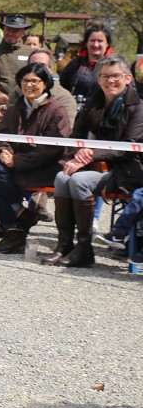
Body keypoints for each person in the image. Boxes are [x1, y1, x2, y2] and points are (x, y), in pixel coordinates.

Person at [41, 54, 143, 267]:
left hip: (125, 169)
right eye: (105, 76)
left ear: (128, 78)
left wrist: (91, 153)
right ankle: (64, 245)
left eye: (116, 76)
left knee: (79, 182)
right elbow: (76, 135)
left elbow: (129, 147)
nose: (110, 81)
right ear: (98, 80)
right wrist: (74, 156)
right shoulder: (92, 103)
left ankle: (84, 248)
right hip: (92, 164)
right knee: (62, 178)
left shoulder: (138, 108)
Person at [0, 63, 71, 254]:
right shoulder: (14, 108)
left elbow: (53, 149)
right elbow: (0, 137)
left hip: (46, 167)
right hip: (15, 165)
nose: (29, 85)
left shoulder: (57, 111)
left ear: (45, 84)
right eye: (25, 81)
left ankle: (15, 228)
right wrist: (2, 152)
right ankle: (19, 221)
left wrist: (16, 161)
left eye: (34, 81)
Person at [59, 21, 114, 104]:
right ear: (86, 43)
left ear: (107, 43)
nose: (96, 44)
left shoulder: (115, 64)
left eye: (100, 41)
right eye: (92, 40)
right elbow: (62, 88)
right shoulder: (75, 64)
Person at [0, 13, 35, 93]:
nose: (10, 33)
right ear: (3, 30)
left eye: (15, 30)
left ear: (23, 33)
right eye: (8, 29)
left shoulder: (31, 53)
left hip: (23, 99)